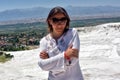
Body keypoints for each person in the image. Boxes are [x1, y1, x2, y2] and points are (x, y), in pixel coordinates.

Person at [38, 6, 84, 80]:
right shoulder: (44, 41)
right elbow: (42, 65)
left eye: (63, 19)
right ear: (49, 21)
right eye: (55, 20)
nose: (59, 24)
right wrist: (65, 55)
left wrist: (50, 58)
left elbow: (72, 61)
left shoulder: (72, 33)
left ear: (67, 21)